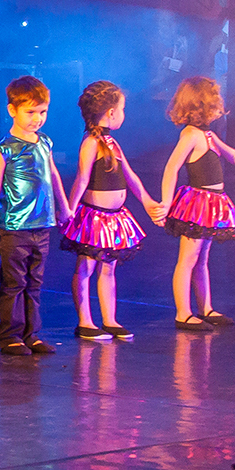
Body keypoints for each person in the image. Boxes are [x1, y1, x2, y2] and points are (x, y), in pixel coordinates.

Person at [59, 83, 165, 342]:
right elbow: (82, 179)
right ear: (110, 112)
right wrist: (69, 209)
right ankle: (85, 321)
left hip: (114, 218)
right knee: (86, 267)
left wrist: (147, 201)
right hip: (94, 218)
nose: (124, 114)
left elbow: (129, 175)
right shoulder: (91, 143)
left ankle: (110, 319)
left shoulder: (111, 142)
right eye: (123, 109)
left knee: (108, 268)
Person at [160, 77, 235, 331]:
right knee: (188, 259)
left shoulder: (208, 135)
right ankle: (183, 313)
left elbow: (231, 154)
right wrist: (166, 202)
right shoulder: (190, 135)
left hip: (211, 203)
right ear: (199, 107)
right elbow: (172, 168)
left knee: (202, 259)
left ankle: (205, 307)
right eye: (214, 105)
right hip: (197, 204)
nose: (219, 110)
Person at [0, 76, 71, 358]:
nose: (37, 118)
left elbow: (53, 175)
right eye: (30, 112)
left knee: (35, 282)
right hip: (15, 227)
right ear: (12, 110)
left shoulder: (45, 142)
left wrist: (64, 207)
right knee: (14, 283)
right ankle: (11, 336)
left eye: (42, 112)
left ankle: (32, 334)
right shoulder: (5, 148)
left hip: (42, 225)